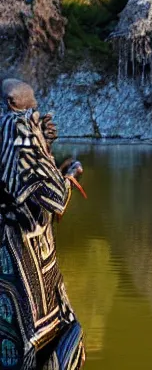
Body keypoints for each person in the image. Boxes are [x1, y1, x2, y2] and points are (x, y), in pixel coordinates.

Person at [0, 79, 85, 369]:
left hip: (14, 252)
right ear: (14, 105)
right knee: (35, 337)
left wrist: (45, 145)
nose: (34, 112)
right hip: (21, 254)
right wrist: (70, 174)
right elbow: (56, 197)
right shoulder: (18, 130)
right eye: (29, 107)